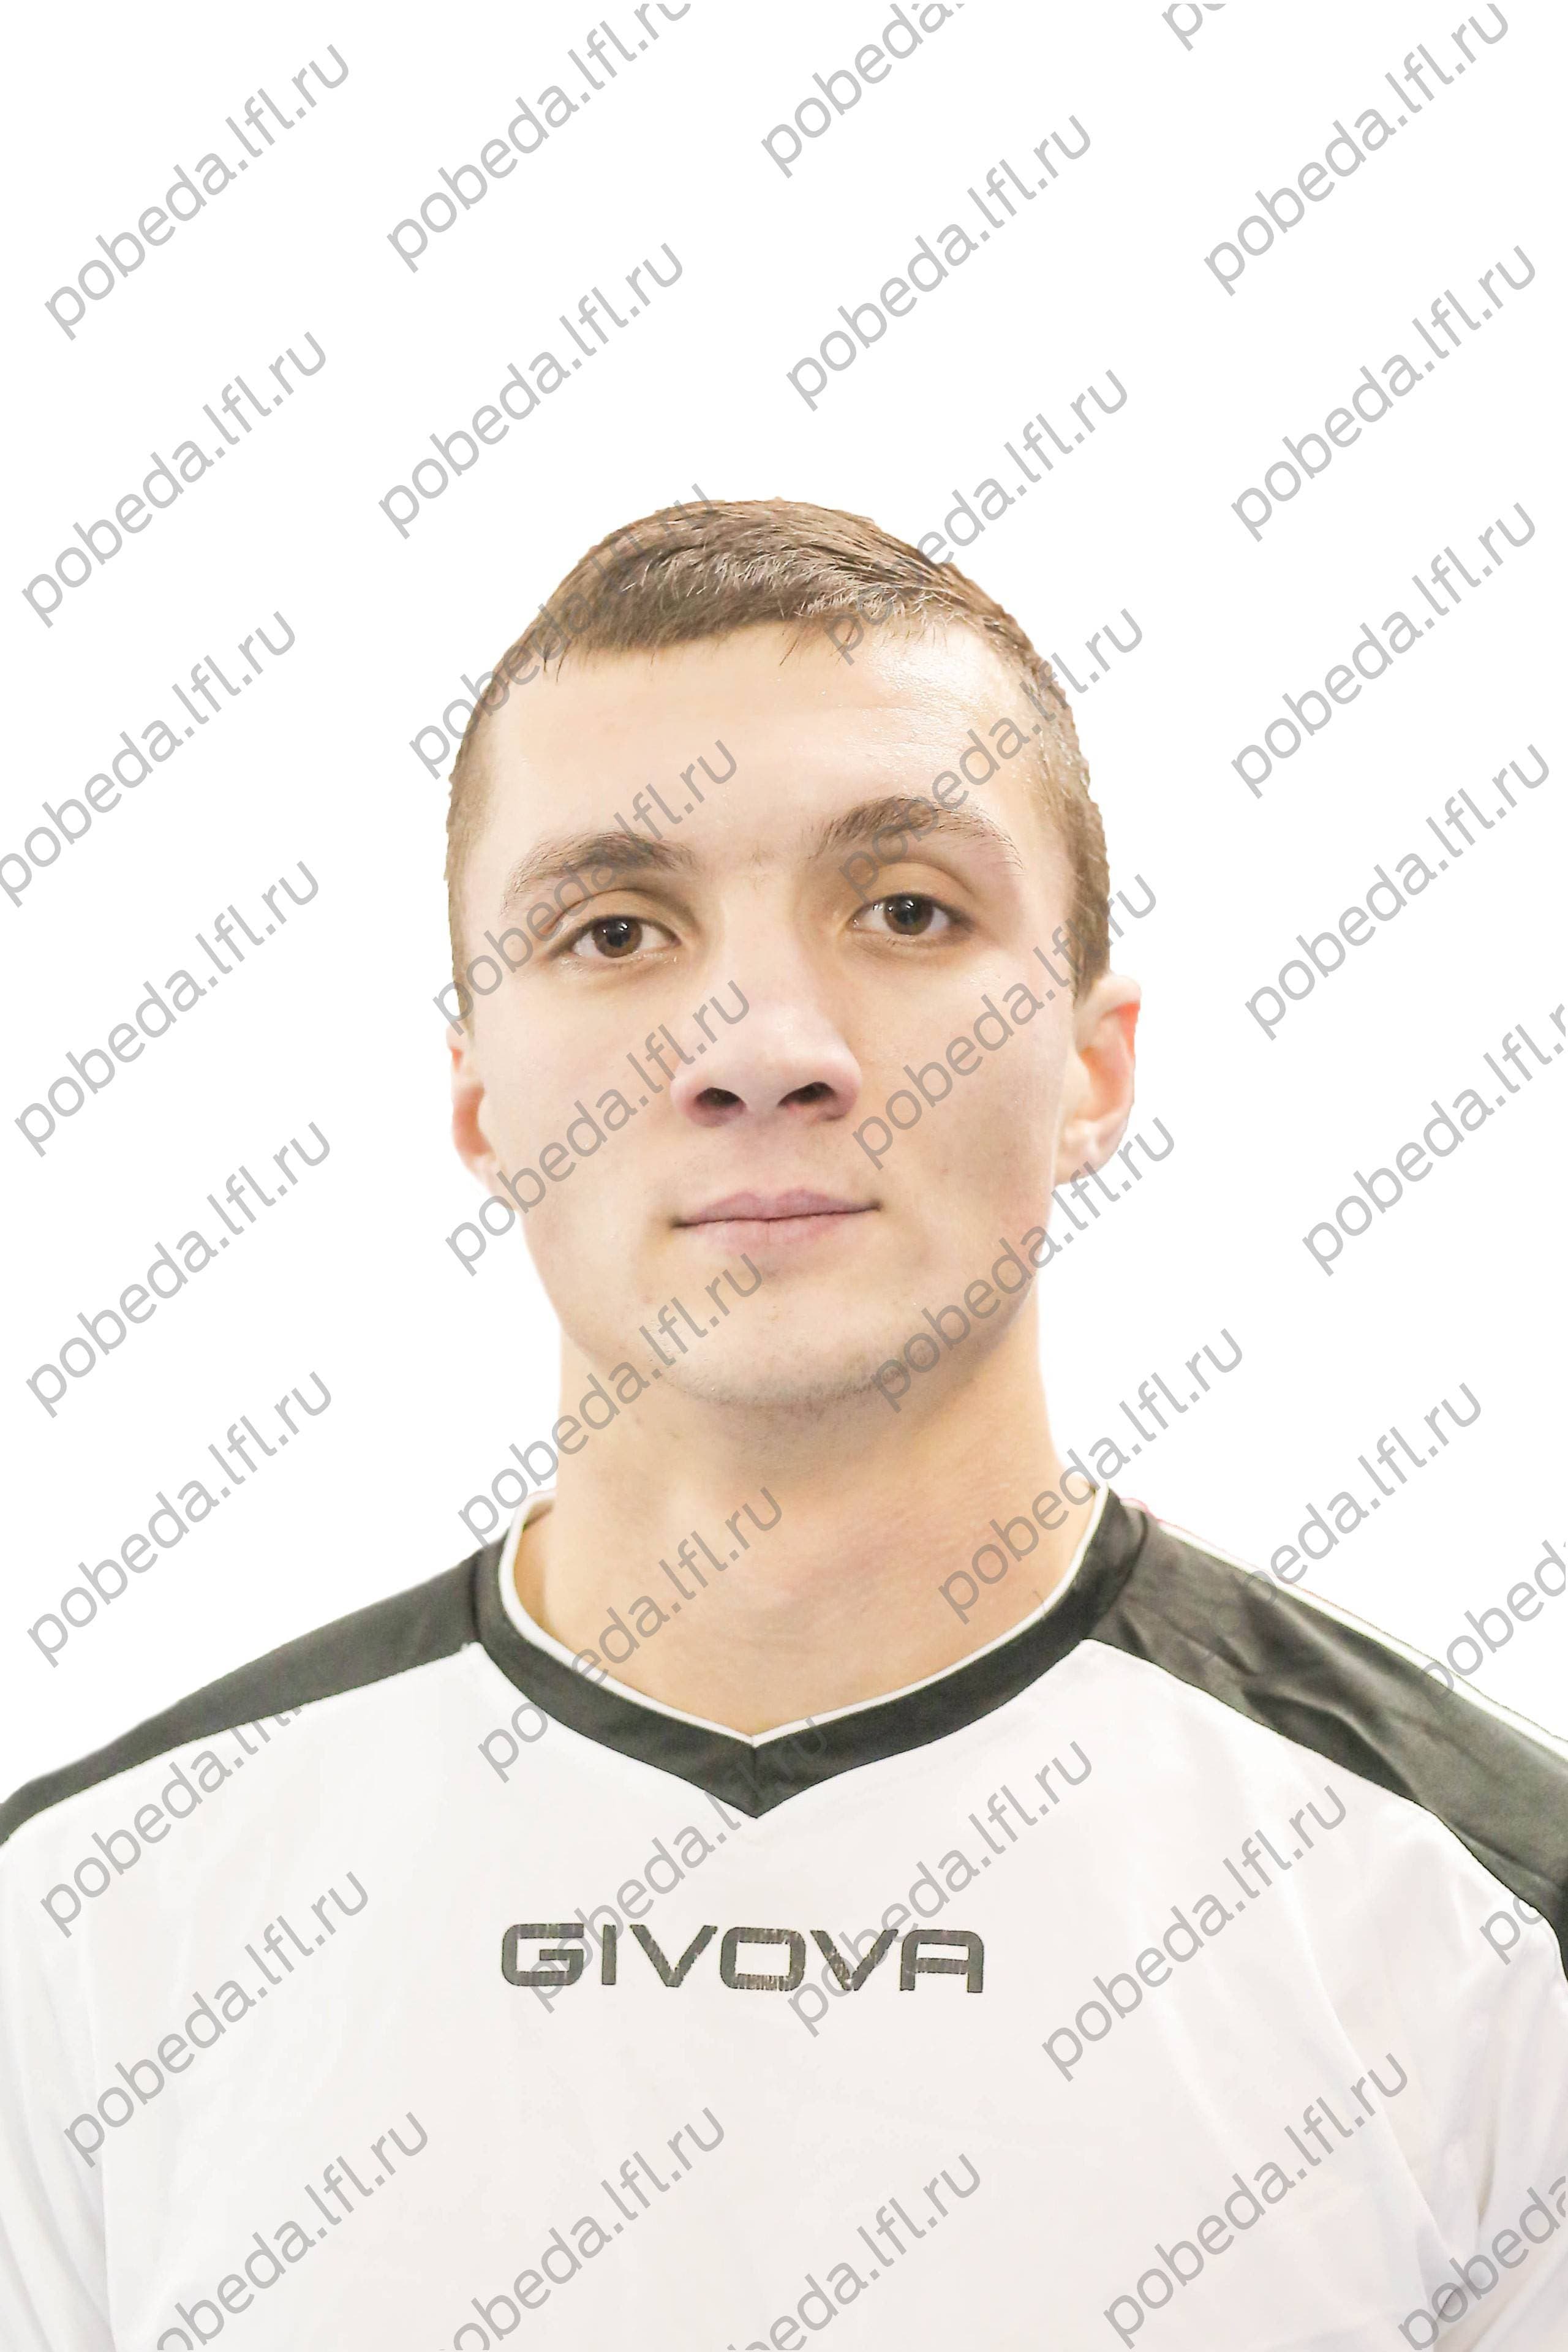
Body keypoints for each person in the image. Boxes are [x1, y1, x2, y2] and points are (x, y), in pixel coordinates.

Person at [2, 500, 1564, 2351]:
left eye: (907, 910)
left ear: (1093, 1066)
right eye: (615, 929)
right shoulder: (83, 1932)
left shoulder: (1494, 1926)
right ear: (480, 1099)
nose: (760, 1046)